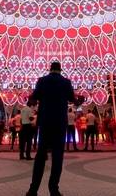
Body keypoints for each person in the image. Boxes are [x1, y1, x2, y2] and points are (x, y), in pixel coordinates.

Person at [25, 61, 79, 196]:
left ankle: (33, 189)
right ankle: (53, 189)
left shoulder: (42, 81)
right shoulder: (66, 82)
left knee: (40, 155)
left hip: (45, 122)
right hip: (60, 122)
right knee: (57, 155)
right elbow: (72, 99)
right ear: (60, 70)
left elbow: (34, 98)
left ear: (50, 69)